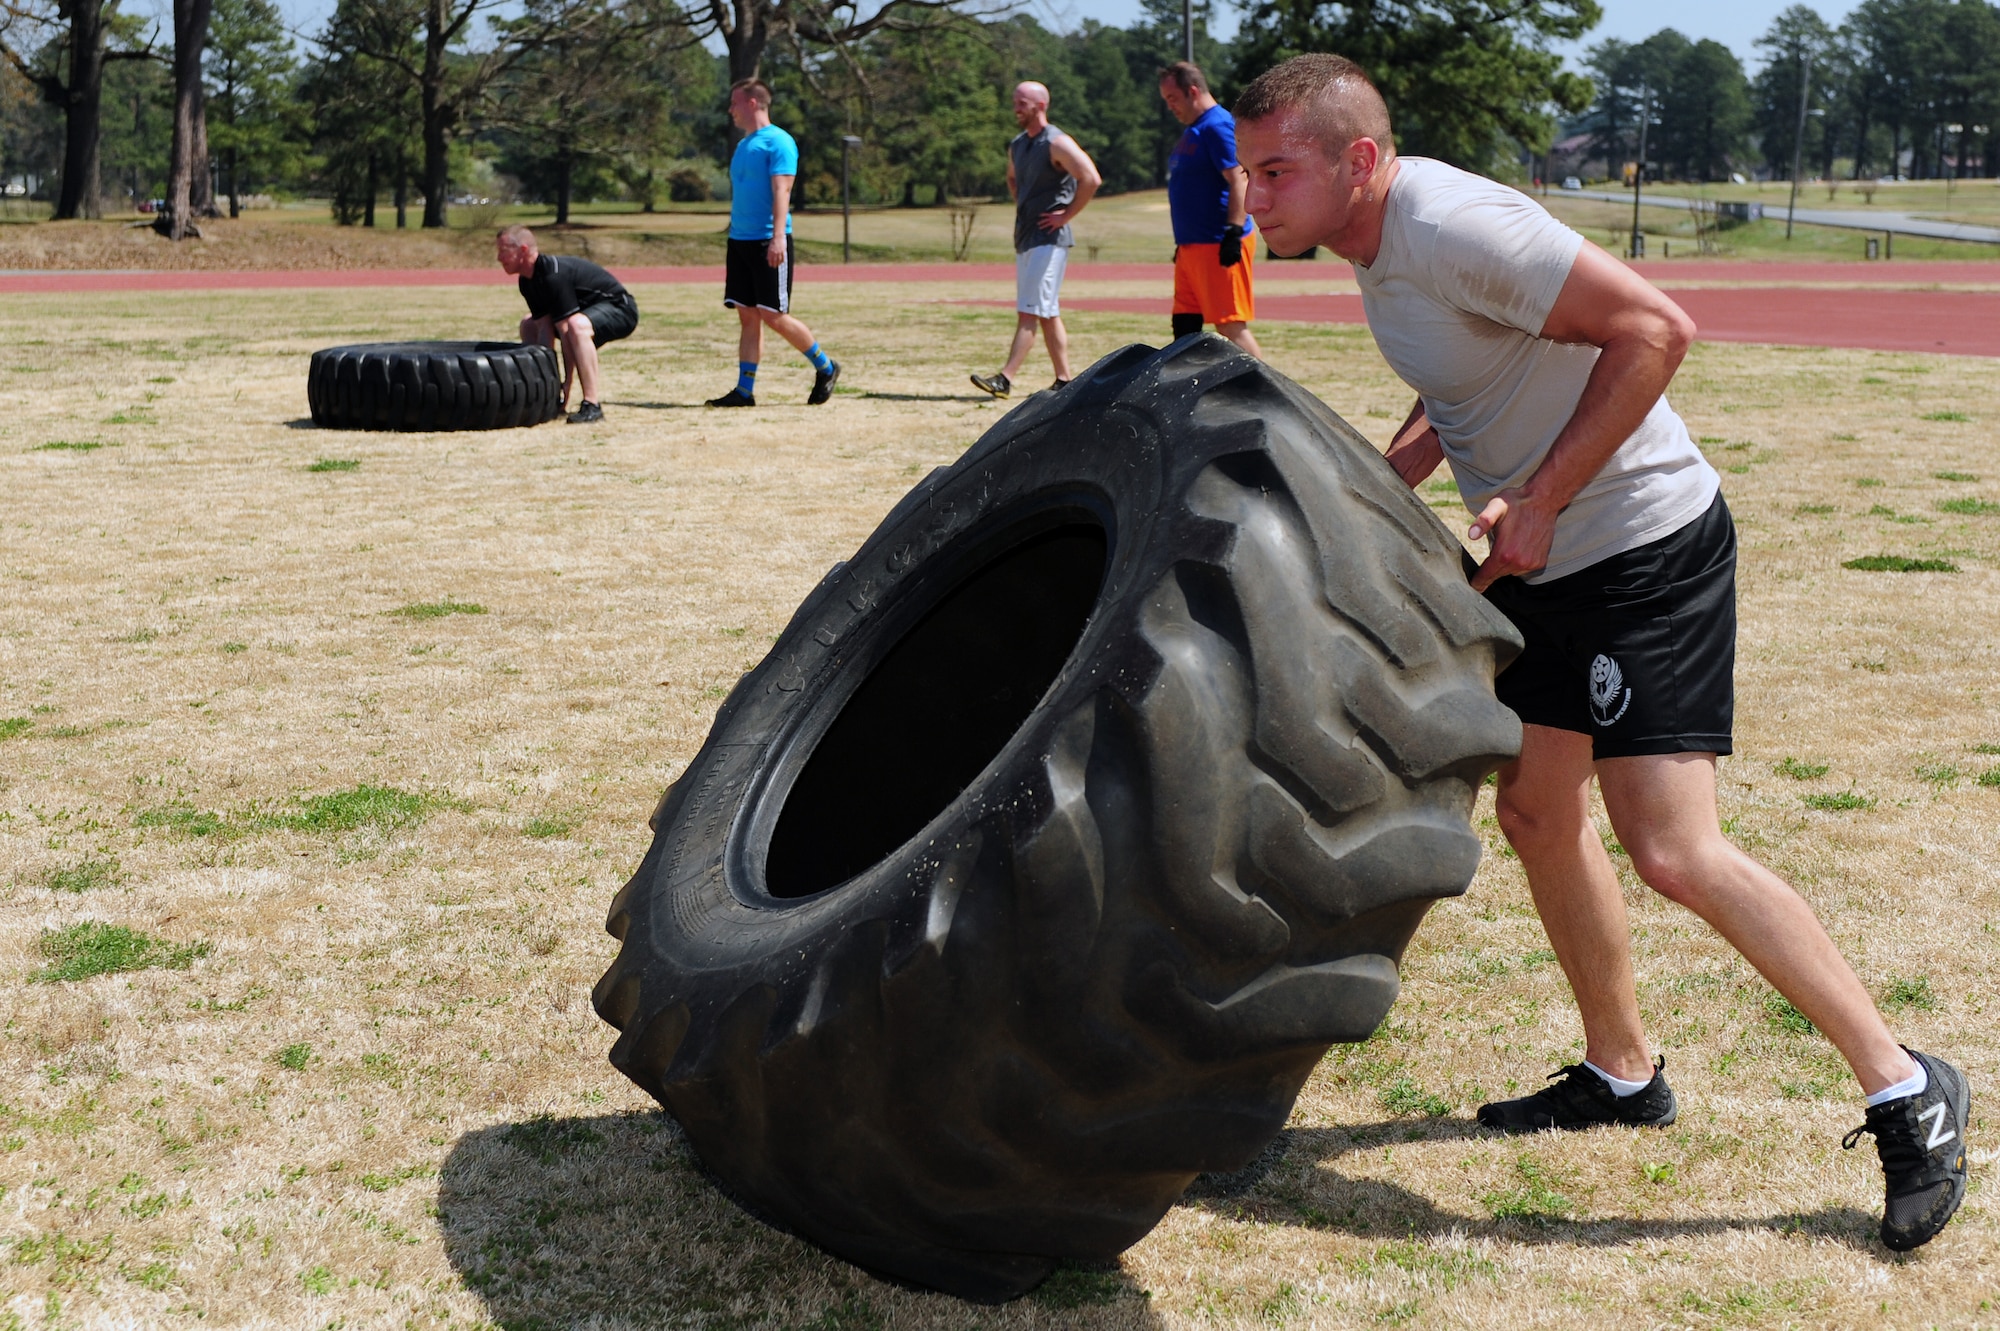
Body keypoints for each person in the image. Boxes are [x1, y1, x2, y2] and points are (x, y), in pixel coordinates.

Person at [1233, 53, 1970, 1253]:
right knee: (1533, 811)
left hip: (1640, 548)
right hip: (1547, 563)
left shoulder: (1449, 221)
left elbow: (1653, 328)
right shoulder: (1376, 250)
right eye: (1245, 171)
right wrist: (1397, 470)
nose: (1251, 197)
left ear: (1357, 161)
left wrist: (1533, 499)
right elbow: (1473, 372)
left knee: (1671, 846)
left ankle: (1905, 1087)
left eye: (1275, 171)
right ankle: (1623, 1072)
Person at [707, 78, 840, 408]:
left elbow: (782, 191)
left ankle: (826, 367)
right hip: (740, 240)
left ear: (752, 103)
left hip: (768, 239)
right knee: (748, 316)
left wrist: (778, 237)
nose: (730, 110)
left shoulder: (779, 142)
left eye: (735, 103)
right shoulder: (744, 145)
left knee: (773, 315)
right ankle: (744, 391)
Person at [969, 82, 1102, 399]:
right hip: (1027, 237)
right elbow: (1012, 177)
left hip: (1049, 239)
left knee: (1030, 310)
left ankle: (1005, 378)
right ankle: (1064, 380)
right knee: (1045, 310)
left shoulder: (1056, 142)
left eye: (1022, 102)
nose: (1016, 107)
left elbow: (1091, 178)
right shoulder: (1017, 144)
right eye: (1014, 100)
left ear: (1041, 105)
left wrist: (1065, 215)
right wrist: (1024, 205)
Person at [1158, 60, 1261, 358]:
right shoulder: (1195, 130)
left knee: (1230, 327)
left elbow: (1239, 179)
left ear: (1192, 91)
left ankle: (1266, 396)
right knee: (1185, 327)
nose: (1170, 107)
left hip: (1219, 242)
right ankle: (1192, 395)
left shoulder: (1217, 125)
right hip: (1193, 246)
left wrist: (1232, 231)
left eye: (1173, 99)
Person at [496, 224, 638, 425]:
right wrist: (550, 386)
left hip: (620, 308)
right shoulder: (526, 281)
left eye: (503, 251)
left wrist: (567, 385)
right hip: (582, 317)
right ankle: (541, 393)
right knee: (529, 324)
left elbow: (565, 333)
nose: (499, 258)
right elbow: (544, 329)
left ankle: (592, 404)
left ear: (523, 250)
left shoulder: (553, 275)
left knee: (575, 326)